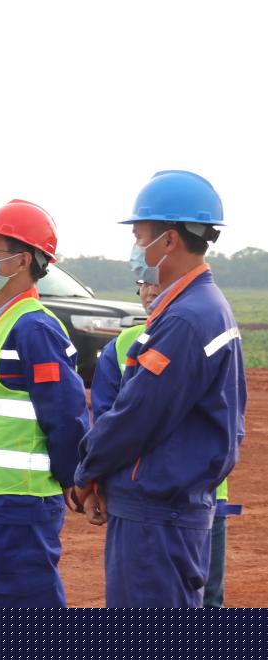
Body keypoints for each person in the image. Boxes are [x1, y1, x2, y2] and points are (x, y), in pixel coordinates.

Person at [72, 170, 246, 608]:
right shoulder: (199, 308)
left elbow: (136, 415)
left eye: (139, 237)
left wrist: (86, 474)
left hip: (157, 515)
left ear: (168, 240)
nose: (135, 249)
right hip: (167, 506)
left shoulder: (186, 319)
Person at [0, 200, 89, 608]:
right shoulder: (1, 323)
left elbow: (65, 414)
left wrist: (73, 476)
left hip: (19, 505)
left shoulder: (34, 327)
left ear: (22, 261)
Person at [88, 269, 240, 608]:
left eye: (156, 281)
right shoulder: (121, 345)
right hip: (147, 495)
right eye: (143, 283)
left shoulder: (194, 330)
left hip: (202, 495)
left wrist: (87, 475)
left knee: (208, 598)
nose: (149, 290)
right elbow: (107, 420)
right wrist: (98, 479)